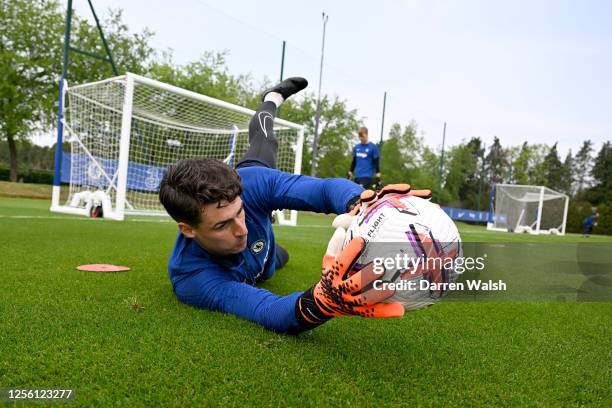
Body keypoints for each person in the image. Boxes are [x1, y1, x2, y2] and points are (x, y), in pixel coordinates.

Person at [159, 77, 428, 334]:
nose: (241, 230)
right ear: (188, 229)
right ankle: (270, 245)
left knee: (264, 141)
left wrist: (362, 202)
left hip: (257, 198)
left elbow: (321, 190)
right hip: (266, 262)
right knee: (278, 261)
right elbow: (266, 309)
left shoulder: (251, 185)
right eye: (221, 225)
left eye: (239, 212)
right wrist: (320, 302)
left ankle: (270, 99)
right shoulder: (191, 277)